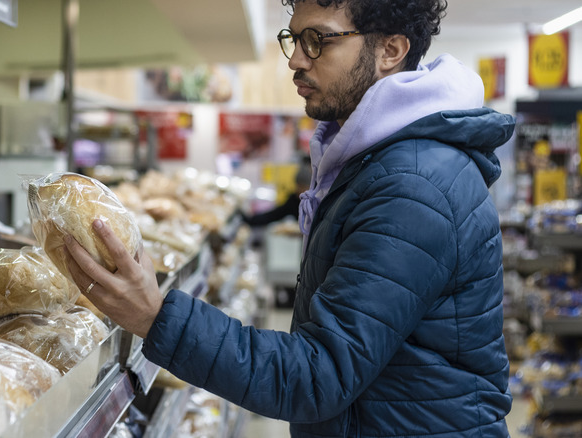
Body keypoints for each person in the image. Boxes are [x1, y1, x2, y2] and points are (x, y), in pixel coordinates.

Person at [62, 0, 514, 435]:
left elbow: (316, 376)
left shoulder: (413, 184)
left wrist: (157, 317)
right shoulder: (377, 162)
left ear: (390, 51)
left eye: (318, 40)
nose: (296, 59)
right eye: (294, 39)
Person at [241, 156, 312, 227]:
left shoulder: (314, 202)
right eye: (297, 186)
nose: (298, 190)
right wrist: (249, 219)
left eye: (302, 187)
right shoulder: (294, 200)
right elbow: (274, 215)